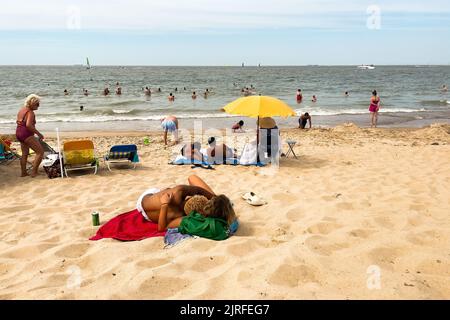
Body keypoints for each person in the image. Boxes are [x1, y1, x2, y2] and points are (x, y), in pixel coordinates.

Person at [136, 175, 236, 232]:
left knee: (189, 180)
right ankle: (218, 201)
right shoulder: (182, 217)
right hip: (148, 198)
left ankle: (217, 199)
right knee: (168, 191)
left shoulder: (179, 192)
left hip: (145, 202)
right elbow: (198, 189)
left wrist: (164, 205)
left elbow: (161, 228)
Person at [15, 94, 44, 177]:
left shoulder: (21, 110)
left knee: (25, 153)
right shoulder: (30, 112)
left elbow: (20, 122)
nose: (38, 106)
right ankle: (34, 172)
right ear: (31, 103)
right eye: (37, 104)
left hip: (19, 133)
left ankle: (23, 173)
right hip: (26, 134)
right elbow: (28, 125)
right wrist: (39, 134)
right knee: (40, 152)